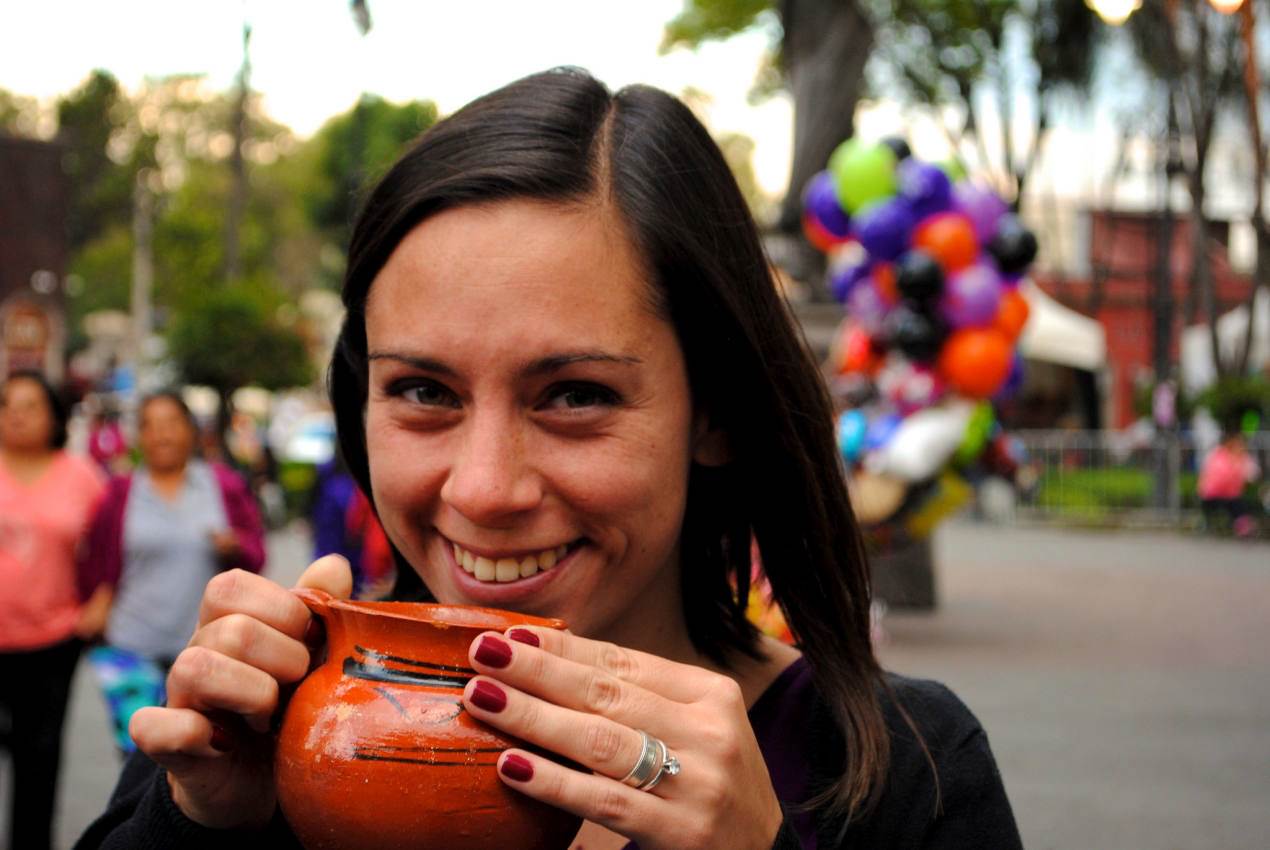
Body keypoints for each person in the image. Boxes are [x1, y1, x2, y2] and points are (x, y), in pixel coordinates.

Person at [77, 69, 1021, 849]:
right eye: (423, 391)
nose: (484, 491)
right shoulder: (256, 738)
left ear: (719, 414)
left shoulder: (903, 772)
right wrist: (203, 824)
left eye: (576, 396)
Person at [78, 390, 267, 751]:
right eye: (151, 426)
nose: (162, 435)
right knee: (139, 760)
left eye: (172, 424)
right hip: (131, 649)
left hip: (203, 653)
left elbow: (257, 554)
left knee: (199, 758)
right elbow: (94, 558)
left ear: (191, 432)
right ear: (139, 437)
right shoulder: (120, 491)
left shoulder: (222, 485)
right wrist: (96, 600)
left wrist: (235, 545)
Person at [0, 370, 107, 850]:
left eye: (30, 405)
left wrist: (101, 602)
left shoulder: (81, 475)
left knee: (38, 762)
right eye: (7, 404)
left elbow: (110, 547)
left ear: (54, 415)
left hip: (51, 641)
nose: (16, 415)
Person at [1198, 430, 1261, 537]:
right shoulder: (1219, 455)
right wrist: (1237, 466)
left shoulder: (1243, 457)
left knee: (1240, 501)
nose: (1240, 446)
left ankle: (1244, 525)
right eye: (1238, 443)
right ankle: (1243, 526)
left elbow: (1253, 474)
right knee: (1235, 502)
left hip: (1231, 495)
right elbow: (1219, 479)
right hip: (1213, 495)